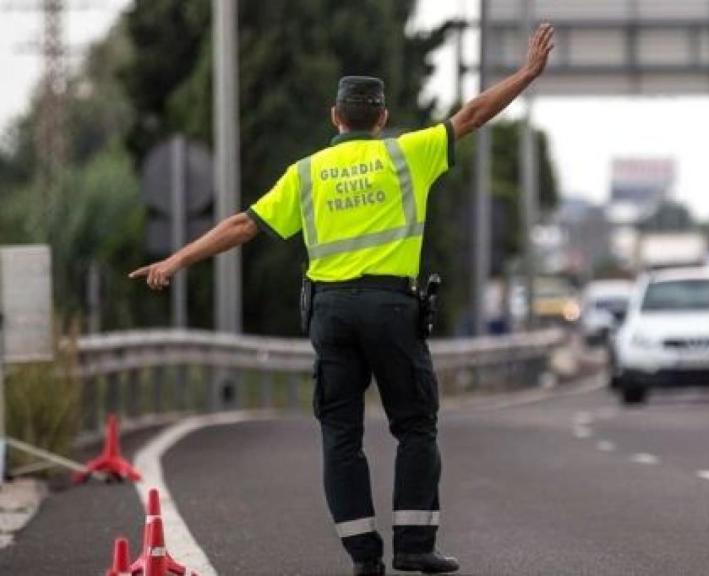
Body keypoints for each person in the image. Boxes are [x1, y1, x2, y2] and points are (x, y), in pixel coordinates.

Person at [130, 23, 555, 575]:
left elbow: (242, 225)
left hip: (330, 314)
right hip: (391, 310)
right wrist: (526, 74)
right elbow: (472, 115)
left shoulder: (306, 173)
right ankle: (414, 545)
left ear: (335, 117)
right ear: (382, 117)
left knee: (340, 435)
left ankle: (364, 557)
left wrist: (175, 260)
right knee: (415, 425)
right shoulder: (409, 153)